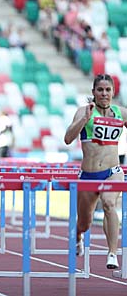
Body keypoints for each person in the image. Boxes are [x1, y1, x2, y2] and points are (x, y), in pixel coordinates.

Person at [64, 74, 126, 269]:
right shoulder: (83, 111)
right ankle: (79, 236)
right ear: (93, 92)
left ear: (113, 92)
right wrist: (85, 119)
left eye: (108, 90)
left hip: (113, 171)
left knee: (109, 204)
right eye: (100, 90)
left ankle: (112, 254)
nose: (104, 93)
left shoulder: (121, 113)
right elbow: (67, 138)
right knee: (84, 222)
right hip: (88, 175)